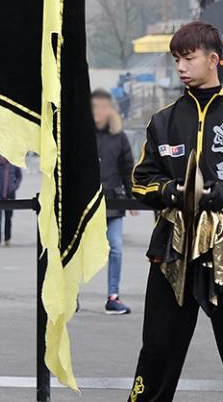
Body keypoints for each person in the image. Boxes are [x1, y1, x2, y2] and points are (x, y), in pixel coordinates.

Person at [129, 21, 223, 401]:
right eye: (176, 58)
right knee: (157, 350)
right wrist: (169, 191)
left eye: (189, 57)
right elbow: (141, 180)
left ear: (214, 60)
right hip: (171, 253)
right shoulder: (161, 121)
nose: (181, 66)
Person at [93, 88, 135, 316]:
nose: (98, 111)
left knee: (116, 248)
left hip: (114, 201)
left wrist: (132, 198)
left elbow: (128, 167)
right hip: (87, 203)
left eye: (102, 106)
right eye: (94, 107)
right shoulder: (81, 134)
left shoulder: (119, 136)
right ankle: (71, 296)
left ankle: (113, 296)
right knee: (78, 251)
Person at [0, 151, 21, 248]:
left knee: (8, 217)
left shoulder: (14, 161)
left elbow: (19, 176)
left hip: (11, 193)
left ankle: (7, 239)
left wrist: (14, 186)